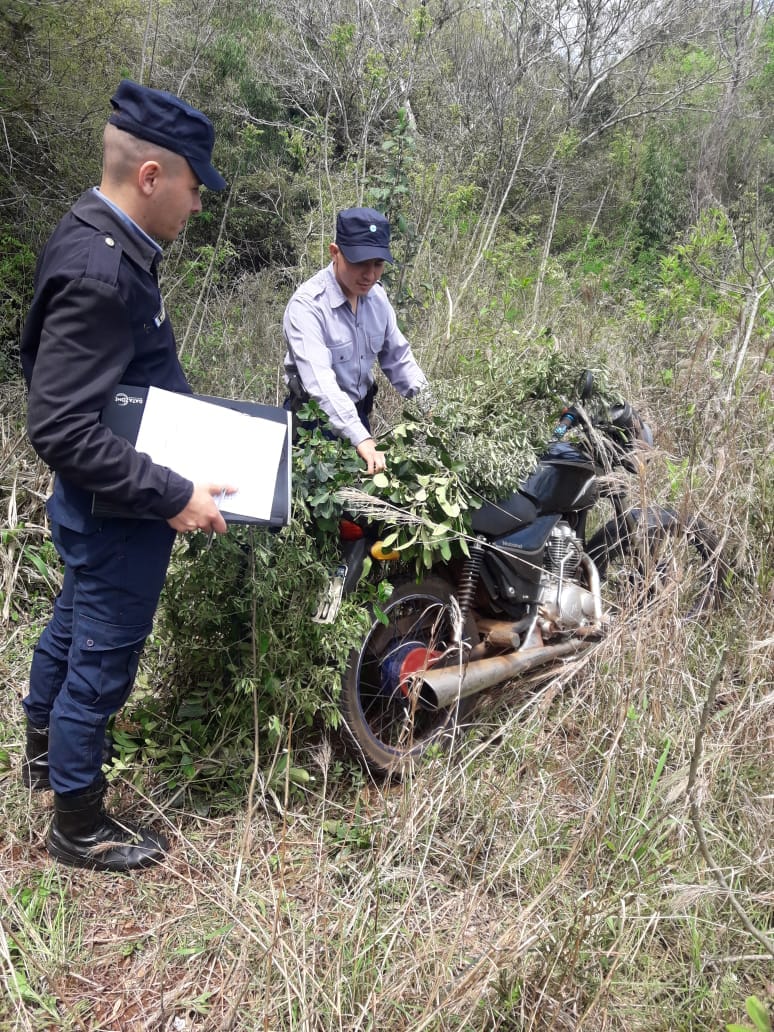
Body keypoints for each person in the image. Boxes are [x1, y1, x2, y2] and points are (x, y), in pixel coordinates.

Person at [20, 79, 231, 872]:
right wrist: (173, 492)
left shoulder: (89, 236)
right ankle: (79, 823)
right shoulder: (102, 271)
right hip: (120, 508)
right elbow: (61, 423)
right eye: (193, 185)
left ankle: (43, 756)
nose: (198, 205)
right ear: (151, 177)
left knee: (71, 624)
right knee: (102, 660)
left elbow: (55, 374)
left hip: (100, 497)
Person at [282, 207, 432, 475]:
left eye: (377, 264)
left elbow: (398, 359)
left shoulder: (377, 299)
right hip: (313, 424)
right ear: (335, 252)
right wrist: (361, 438)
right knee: (320, 507)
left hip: (357, 415)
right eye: (359, 263)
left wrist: (432, 407)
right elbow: (320, 383)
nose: (370, 275)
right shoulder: (307, 307)